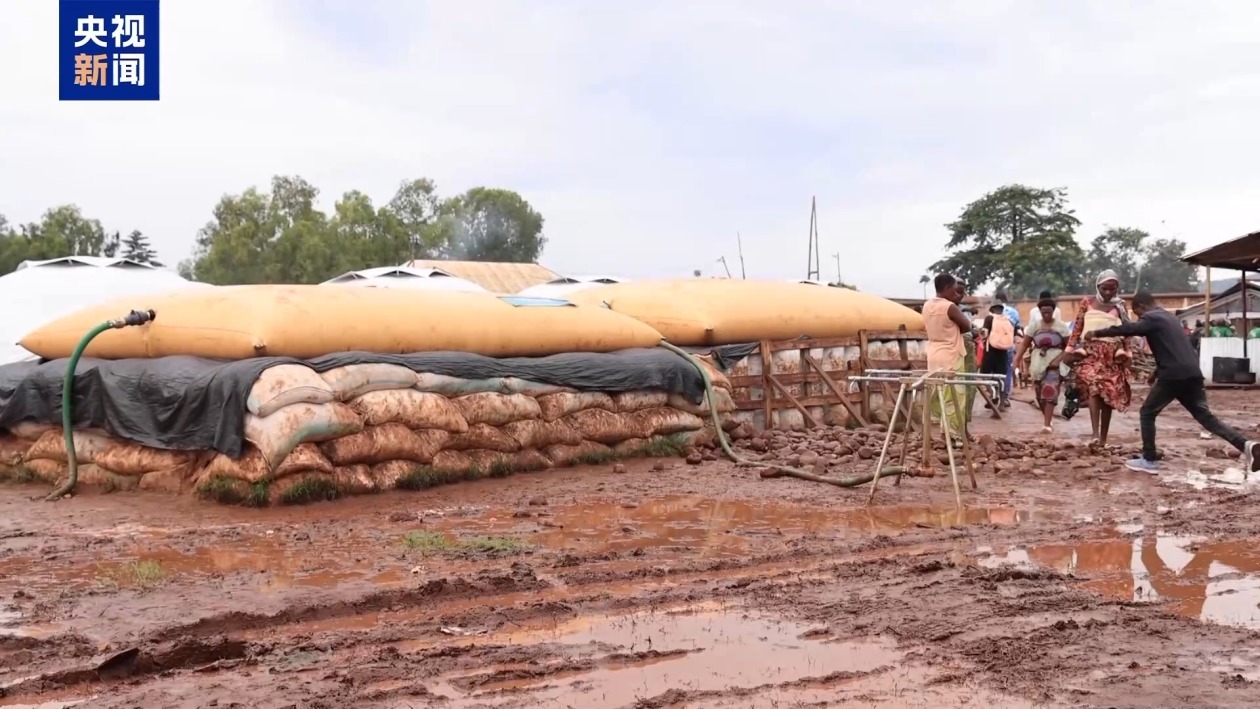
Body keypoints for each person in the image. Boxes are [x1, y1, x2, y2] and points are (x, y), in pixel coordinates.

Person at [1085, 291, 1258, 476]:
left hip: (1173, 375)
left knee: (1147, 412)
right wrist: (1154, 375)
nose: (1139, 318)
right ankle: (1247, 445)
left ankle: (1149, 459)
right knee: (1207, 418)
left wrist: (1097, 332)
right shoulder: (1171, 319)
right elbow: (1172, 350)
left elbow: (1128, 329)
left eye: (1137, 314)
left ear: (1141, 307)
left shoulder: (1151, 317)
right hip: (1192, 373)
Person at [1065, 270, 1132, 451]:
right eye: (1105, 288)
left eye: (1112, 288)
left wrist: (1128, 353)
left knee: (1108, 395)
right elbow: (1077, 328)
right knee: (1094, 387)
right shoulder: (1087, 303)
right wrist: (1069, 350)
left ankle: (1103, 438)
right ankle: (1094, 434)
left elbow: (1126, 330)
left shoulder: (1120, 306)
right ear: (1097, 286)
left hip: (1112, 355)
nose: (1108, 292)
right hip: (1091, 352)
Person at [923, 274, 972, 437]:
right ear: (946, 288)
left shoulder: (927, 305)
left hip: (933, 353)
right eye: (954, 289)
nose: (956, 292)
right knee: (954, 397)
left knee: (939, 393)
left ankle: (938, 431)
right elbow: (967, 326)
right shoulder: (949, 307)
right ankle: (953, 436)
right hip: (951, 354)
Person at [1013, 297, 1070, 433]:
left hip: (1055, 362)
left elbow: (1069, 346)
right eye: (1043, 312)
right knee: (1039, 393)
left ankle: (1047, 424)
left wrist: (1059, 359)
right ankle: (1048, 418)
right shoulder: (1034, 326)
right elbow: (1025, 344)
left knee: (1050, 389)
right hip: (1038, 362)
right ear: (1040, 311)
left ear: (1053, 311)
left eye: (1049, 312)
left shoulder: (1061, 326)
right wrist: (1016, 360)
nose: (1046, 315)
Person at [980, 303, 1016, 410]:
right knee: (1002, 377)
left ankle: (993, 394)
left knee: (984, 374)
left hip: (990, 351)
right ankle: (1002, 402)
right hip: (1003, 352)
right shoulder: (1008, 320)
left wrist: (980, 335)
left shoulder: (989, 318)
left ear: (991, 310)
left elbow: (984, 333)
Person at [993, 290, 1022, 403]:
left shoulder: (993, 311)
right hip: (1008, 345)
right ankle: (1005, 397)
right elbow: (1017, 327)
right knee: (1007, 370)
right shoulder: (1013, 312)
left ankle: (994, 393)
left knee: (994, 370)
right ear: (1006, 299)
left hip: (994, 346)